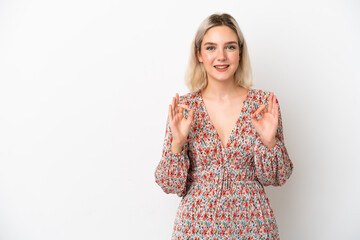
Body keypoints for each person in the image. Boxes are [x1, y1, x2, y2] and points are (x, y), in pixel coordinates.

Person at [154, 13, 293, 239]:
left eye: (229, 47)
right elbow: (171, 185)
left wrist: (270, 142)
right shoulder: (185, 107)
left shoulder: (262, 105)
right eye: (210, 48)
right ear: (198, 54)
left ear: (240, 52)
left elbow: (276, 178)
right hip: (196, 228)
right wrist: (177, 144)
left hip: (253, 227)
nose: (221, 57)